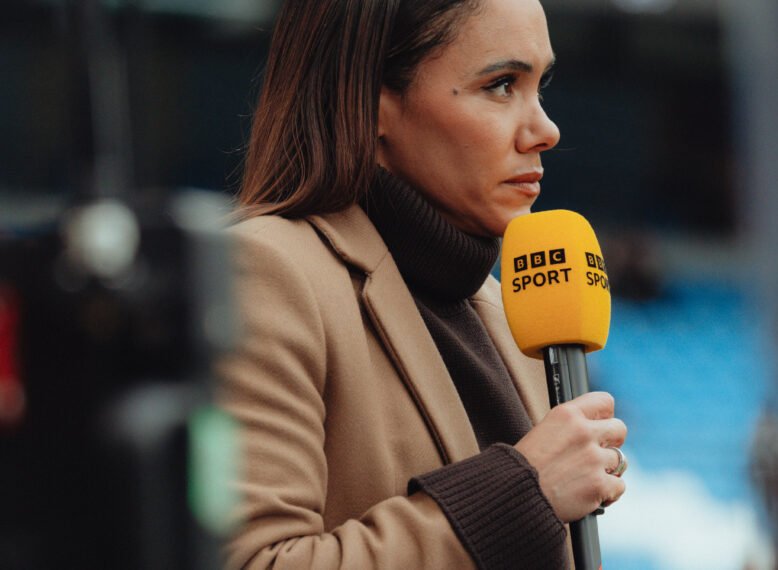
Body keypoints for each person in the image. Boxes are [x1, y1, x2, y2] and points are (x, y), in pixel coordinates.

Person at [218, 0, 628, 568]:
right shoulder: (263, 272)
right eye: (502, 84)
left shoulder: (509, 312)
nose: (546, 130)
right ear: (372, 101)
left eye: (540, 86)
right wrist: (520, 493)